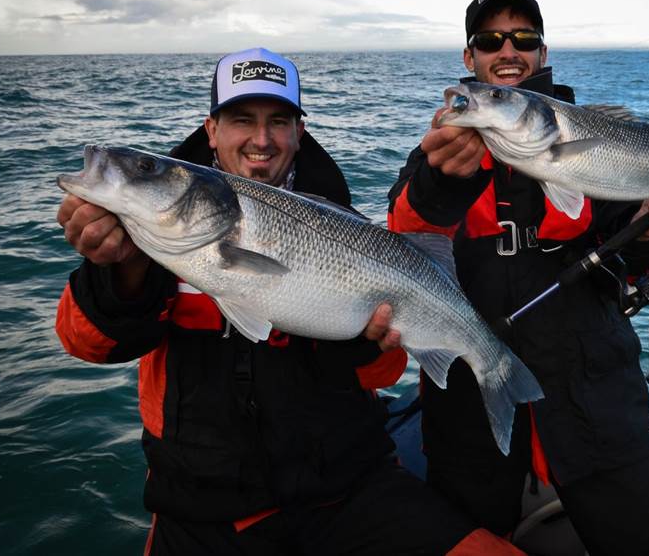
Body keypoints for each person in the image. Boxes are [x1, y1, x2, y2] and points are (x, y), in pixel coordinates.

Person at [55, 47, 522, 555]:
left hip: (348, 491)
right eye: (241, 120)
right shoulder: (148, 236)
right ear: (211, 129)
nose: (261, 139)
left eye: (279, 121)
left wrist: (364, 346)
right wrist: (118, 271)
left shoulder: (339, 219)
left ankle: (500, 373)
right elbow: (88, 346)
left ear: (299, 133)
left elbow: (382, 376)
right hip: (202, 514)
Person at [385, 0, 649, 555]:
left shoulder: (596, 143)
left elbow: (622, 266)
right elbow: (401, 247)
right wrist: (439, 183)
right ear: (469, 58)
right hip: (469, 403)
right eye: (490, 39)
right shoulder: (437, 149)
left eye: (523, 37)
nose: (508, 49)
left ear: (543, 52)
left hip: (593, 399)